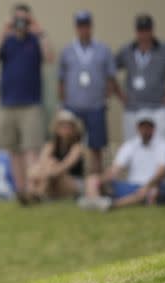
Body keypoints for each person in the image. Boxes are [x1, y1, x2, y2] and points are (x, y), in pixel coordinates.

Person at [0, 3, 54, 203]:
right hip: (8, 103)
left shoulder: (36, 40)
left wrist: (41, 31)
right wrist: (3, 32)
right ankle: (20, 191)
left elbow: (50, 58)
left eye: (24, 19)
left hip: (31, 104)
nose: (21, 23)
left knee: (31, 148)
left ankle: (33, 189)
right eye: (17, 19)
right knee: (13, 149)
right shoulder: (7, 41)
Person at [59, 10, 122, 173]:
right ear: (76, 28)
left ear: (91, 27)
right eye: (80, 26)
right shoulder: (67, 50)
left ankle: (95, 182)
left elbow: (111, 77)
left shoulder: (103, 49)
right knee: (70, 145)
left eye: (86, 26)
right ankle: (72, 179)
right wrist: (63, 104)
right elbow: (61, 79)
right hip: (73, 106)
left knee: (96, 146)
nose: (83, 30)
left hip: (96, 105)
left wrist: (107, 96)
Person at [78, 113, 165, 211]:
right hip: (130, 186)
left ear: (153, 128)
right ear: (138, 128)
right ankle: (95, 202)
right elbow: (116, 169)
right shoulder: (130, 145)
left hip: (154, 185)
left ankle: (111, 205)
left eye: (148, 127)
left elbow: (162, 170)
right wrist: (100, 180)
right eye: (143, 127)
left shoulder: (163, 145)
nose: (145, 130)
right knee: (92, 179)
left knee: (150, 191)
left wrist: (148, 186)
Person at [115, 14, 165, 140]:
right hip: (133, 108)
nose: (144, 34)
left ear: (152, 30)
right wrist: (119, 93)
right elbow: (109, 71)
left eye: (147, 30)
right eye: (140, 30)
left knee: (160, 146)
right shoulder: (126, 51)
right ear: (136, 31)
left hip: (158, 108)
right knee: (132, 146)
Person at [27, 111, 85, 201]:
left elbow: (66, 166)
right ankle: (34, 194)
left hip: (73, 182)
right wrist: (49, 167)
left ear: (74, 128)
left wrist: (51, 168)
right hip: (52, 177)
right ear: (56, 128)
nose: (65, 129)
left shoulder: (77, 147)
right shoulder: (51, 145)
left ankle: (35, 195)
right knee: (37, 168)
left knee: (49, 167)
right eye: (62, 125)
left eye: (68, 126)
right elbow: (42, 162)